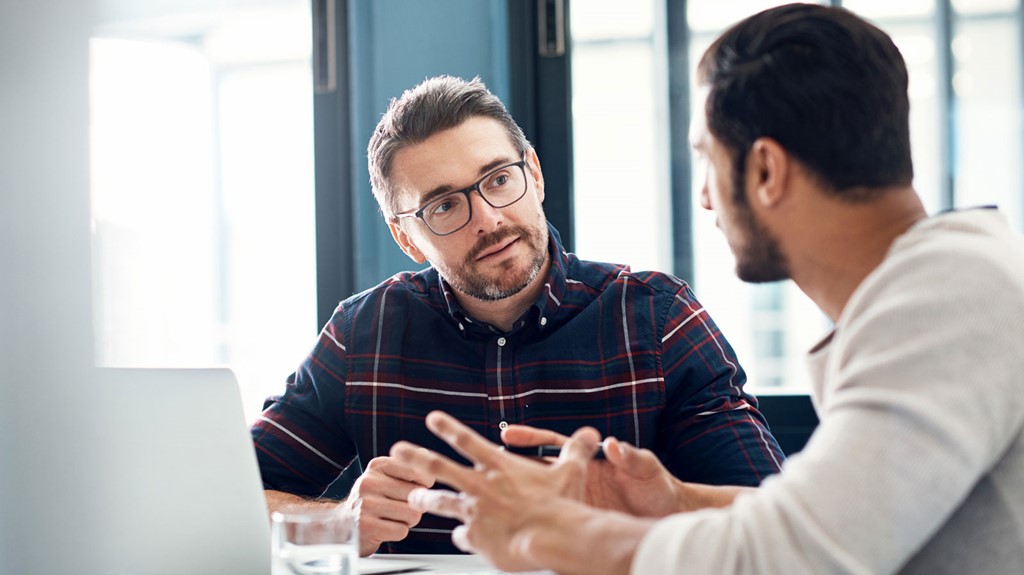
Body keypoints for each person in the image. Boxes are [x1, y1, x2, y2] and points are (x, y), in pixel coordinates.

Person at [390, 4, 1024, 574]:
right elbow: (840, 517)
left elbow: (796, 558)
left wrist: (561, 535)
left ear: (767, 171)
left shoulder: (947, 299)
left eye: (707, 160)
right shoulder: (943, 287)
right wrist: (675, 500)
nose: (702, 197)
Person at [249, 75, 785, 555]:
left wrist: (661, 505)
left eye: (499, 178)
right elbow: (230, 499)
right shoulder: (362, 334)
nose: (487, 217)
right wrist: (337, 522)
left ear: (534, 174)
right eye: (444, 206)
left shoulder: (659, 318)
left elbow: (773, 523)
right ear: (406, 237)